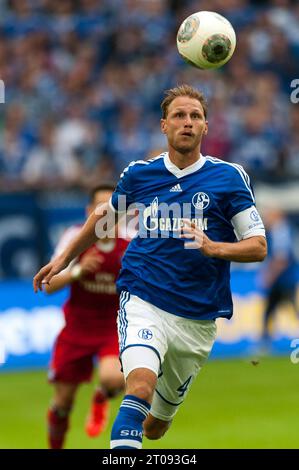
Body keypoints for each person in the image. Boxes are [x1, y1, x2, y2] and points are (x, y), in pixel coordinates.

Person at [34, 84, 267, 450]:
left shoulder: (229, 178)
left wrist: (214, 247)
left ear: (206, 126)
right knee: (138, 385)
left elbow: (258, 246)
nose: (187, 123)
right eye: (179, 115)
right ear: (164, 125)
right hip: (143, 297)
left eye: (195, 116)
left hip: (197, 316)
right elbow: (104, 217)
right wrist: (65, 258)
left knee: (156, 426)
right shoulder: (140, 174)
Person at [45, 184, 128, 449]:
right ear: (89, 211)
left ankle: (102, 395)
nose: (106, 215)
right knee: (62, 404)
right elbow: (48, 285)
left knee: (113, 378)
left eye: (112, 209)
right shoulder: (74, 238)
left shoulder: (130, 243)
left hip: (112, 328)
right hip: (77, 328)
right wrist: (78, 272)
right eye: (100, 208)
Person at [260, 207, 298, 343]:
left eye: (268, 216)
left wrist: (269, 276)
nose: (265, 220)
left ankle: (264, 342)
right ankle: (264, 340)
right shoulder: (280, 231)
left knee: (271, 310)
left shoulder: (280, 231)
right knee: (272, 310)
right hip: (285, 279)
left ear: (277, 216)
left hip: (283, 280)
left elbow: (281, 259)